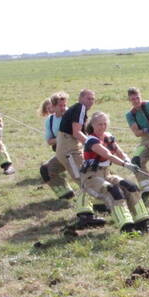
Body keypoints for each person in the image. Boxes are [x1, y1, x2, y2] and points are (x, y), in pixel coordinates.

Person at [79, 111, 149, 233]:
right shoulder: (91, 140)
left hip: (106, 174)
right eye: (99, 124)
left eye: (104, 124)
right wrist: (125, 165)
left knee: (131, 187)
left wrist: (127, 160)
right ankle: (126, 227)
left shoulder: (108, 137)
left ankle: (142, 223)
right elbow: (107, 155)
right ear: (93, 125)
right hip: (91, 177)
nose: (102, 127)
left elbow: (119, 151)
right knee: (114, 192)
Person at [56, 89, 104, 228]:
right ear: (81, 98)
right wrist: (91, 144)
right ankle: (85, 215)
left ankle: (96, 206)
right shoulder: (80, 107)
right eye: (88, 98)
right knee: (83, 178)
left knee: (86, 176)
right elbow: (76, 132)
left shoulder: (78, 109)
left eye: (93, 99)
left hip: (68, 147)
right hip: (69, 148)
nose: (91, 101)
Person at [38, 91, 77, 201]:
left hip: (76, 152)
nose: (64, 108)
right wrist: (60, 139)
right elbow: (49, 141)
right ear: (53, 106)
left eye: (65, 105)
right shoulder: (50, 120)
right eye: (60, 105)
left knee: (81, 176)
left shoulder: (72, 117)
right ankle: (66, 194)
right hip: (62, 153)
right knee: (46, 169)